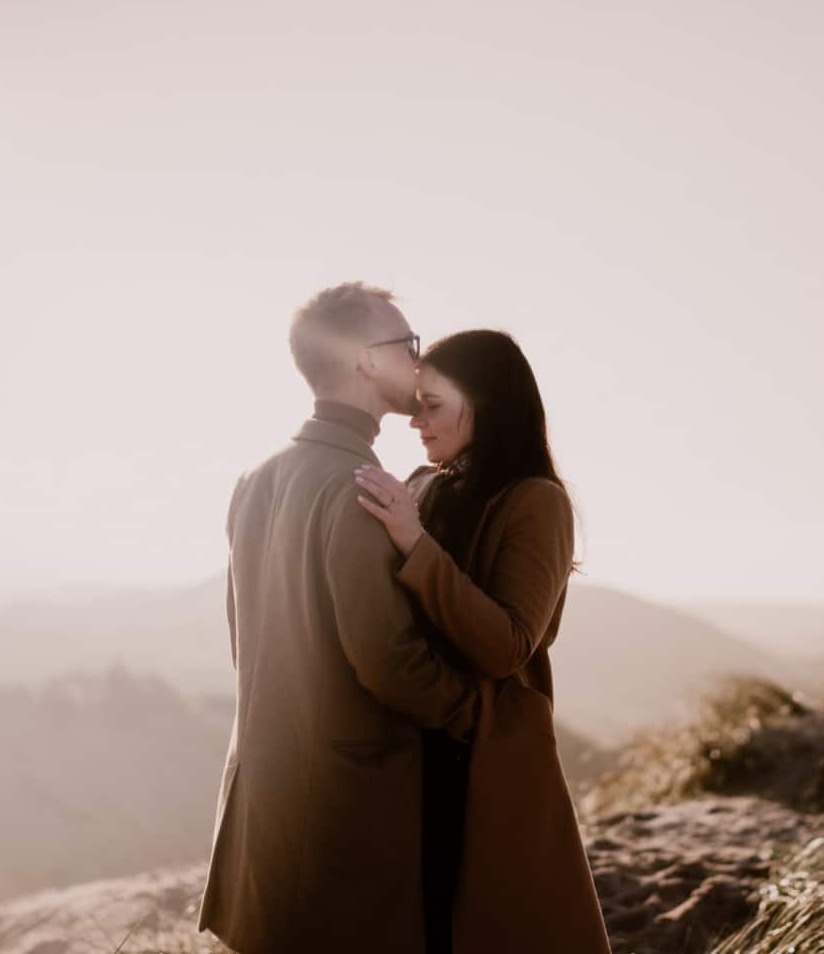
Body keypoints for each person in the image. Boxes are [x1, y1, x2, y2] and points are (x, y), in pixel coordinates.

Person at [196, 283, 481, 953]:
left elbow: (249, 646)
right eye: (408, 346)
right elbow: (390, 663)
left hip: (264, 809)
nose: (420, 362)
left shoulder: (256, 478)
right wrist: (476, 709)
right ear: (362, 359)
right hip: (344, 816)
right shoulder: (362, 488)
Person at [355, 329, 612, 954]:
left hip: (487, 763)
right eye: (416, 403)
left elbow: (508, 645)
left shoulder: (537, 503)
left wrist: (415, 544)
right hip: (410, 750)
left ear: (488, 404)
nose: (416, 420)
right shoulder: (423, 484)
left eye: (434, 404)